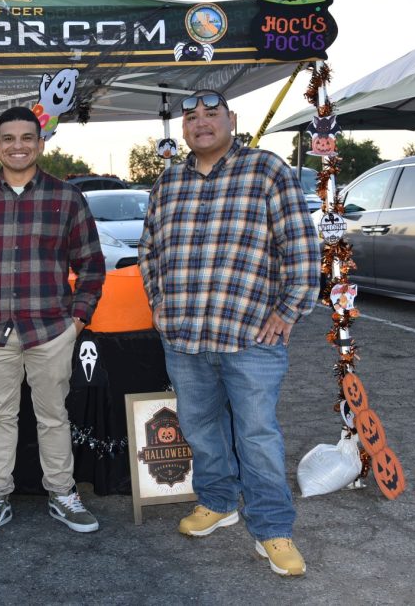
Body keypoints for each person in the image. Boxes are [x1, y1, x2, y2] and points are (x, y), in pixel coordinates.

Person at [138, 90, 320, 576]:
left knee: (257, 436)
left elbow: (301, 246)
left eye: (211, 114)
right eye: (192, 117)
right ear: (183, 128)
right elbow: (149, 250)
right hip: (184, 337)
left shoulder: (267, 170)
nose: (201, 123)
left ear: (232, 119)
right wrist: (159, 305)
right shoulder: (168, 181)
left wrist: (290, 309)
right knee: (200, 428)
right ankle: (218, 502)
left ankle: (272, 528)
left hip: (251, 337)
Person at [0, 106, 106, 540]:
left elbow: (91, 265)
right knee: (0, 416)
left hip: (51, 329)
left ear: (40, 144)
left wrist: (77, 320)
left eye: (27, 137)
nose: (18, 146)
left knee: (54, 416)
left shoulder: (67, 198)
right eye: (9, 138)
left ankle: (62, 493)